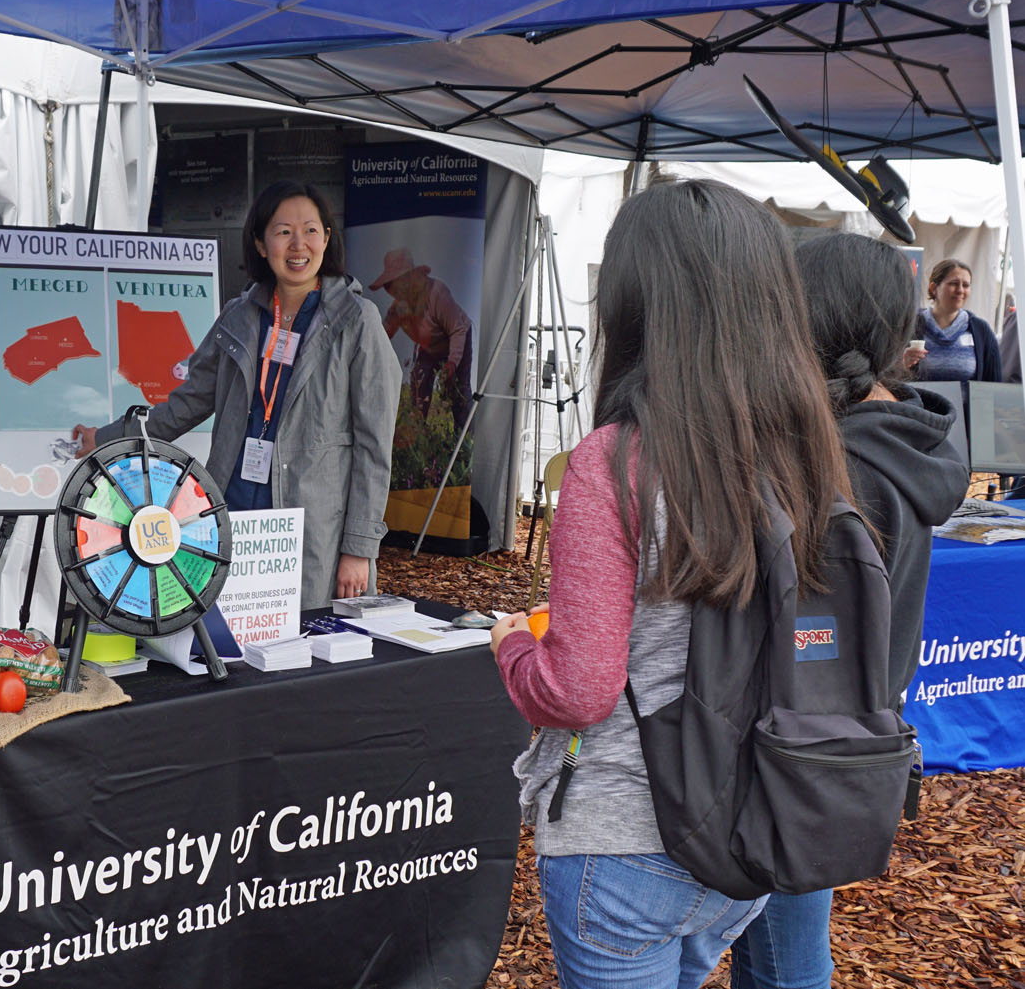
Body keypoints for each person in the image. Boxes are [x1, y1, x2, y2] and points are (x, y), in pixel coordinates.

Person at [489, 179, 853, 987]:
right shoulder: (808, 455)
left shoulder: (616, 460)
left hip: (625, 842)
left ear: (635, 302)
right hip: (748, 836)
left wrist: (514, 646)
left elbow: (580, 686)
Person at [727, 234, 970, 989]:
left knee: (787, 955)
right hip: (846, 732)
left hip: (796, 739)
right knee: (776, 943)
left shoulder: (839, 461)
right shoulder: (908, 435)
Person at [72, 180, 400, 606]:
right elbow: (187, 403)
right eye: (283, 231)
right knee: (232, 644)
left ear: (327, 239)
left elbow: (375, 446)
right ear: (262, 245)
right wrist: (106, 438)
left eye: (311, 230)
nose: (298, 244)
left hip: (314, 530)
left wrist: (359, 547)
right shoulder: (239, 317)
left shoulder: (358, 322)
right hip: (232, 514)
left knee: (304, 656)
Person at [372, 247, 473, 426]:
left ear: (408, 278)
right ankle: (418, 431)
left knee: (459, 391)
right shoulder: (399, 307)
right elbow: (383, 335)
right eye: (388, 286)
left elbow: (457, 329)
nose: (390, 290)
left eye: (392, 283)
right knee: (419, 388)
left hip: (456, 338)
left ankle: (463, 438)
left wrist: (452, 362)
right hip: (430, 347)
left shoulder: (437, 293)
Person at [903, 258, 1003, 383]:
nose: (960, 290)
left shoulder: (981, 331)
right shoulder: (910, 325)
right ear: (934, 288)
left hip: (966, 403)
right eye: (954, 283)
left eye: (966, 285)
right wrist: (902, 364)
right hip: (919, 403)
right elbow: (887, 376)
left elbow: (994, 384)